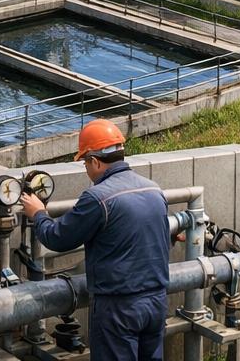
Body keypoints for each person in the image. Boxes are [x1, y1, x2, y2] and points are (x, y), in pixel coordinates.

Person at [21, 119, 171, 361]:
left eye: (85, 163)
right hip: (156, 301)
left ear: (96, 161)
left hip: (118, 307)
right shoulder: (154, 190)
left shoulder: (98, 197)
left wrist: (38, 213)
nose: (86, 169)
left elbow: (57, 238)